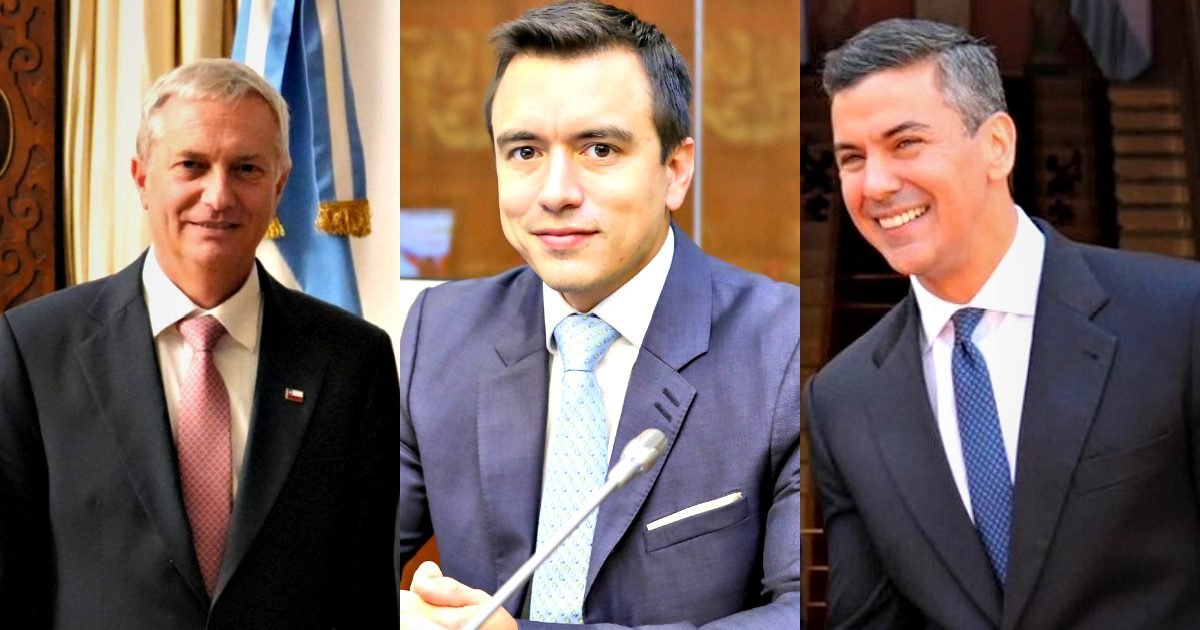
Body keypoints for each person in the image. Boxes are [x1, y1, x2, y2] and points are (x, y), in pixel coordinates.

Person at [395, 1, 801, 628]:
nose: (556, 192)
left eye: (600, 149)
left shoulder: (783, 350)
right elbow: (331, 559)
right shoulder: (441, 331)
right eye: (524, 152)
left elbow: (798, 612)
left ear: (675, 171)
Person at [806, 17, 1200, 629]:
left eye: (905, 143)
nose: (876, 184)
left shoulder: (1178, 315)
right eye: (852, 158)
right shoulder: (842, 399)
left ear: (997, 146)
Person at [0, 59, 399, 628]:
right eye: (191, 165)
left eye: (246, 169)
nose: (218, 196)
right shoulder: (34, 349)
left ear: (280, 185)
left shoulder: (352, 361)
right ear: (142, 178)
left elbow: (366, 594)